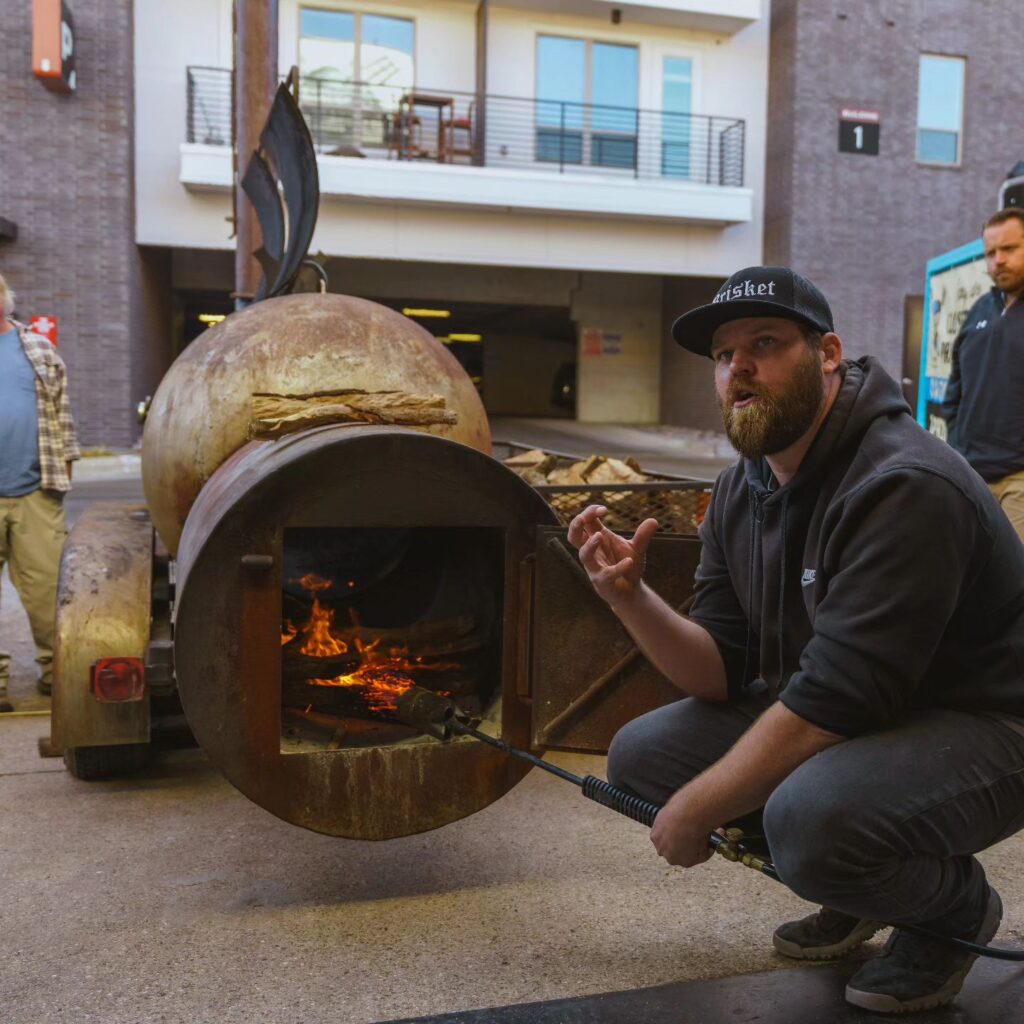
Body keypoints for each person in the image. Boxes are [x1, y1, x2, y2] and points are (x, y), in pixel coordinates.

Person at [568, 266, 1024, 1014]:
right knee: (644, 758)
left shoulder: (903, 483)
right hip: (876, 718)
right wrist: (631, 597)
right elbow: (719, 672)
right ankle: (858, 881)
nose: (737, 369)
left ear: (829, 354)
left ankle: (949, 908)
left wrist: (699, 808)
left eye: (765, 343)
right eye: (722, 355)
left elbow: (832, 702)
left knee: (807, 817)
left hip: (992, 726)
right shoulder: (742, 489)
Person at [0, 273, 80, 712]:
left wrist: (64, 469)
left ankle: (57, 673)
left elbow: (61, 413)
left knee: (48, 591)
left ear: (6, 299)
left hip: (35, 491)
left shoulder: (38, 349)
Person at [942, 208, 1024, 540]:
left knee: (1016, 583)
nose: (998, 260)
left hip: (1018, 482)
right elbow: (955, 390)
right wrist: (958, 448)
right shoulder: (979, 310)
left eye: (1009, 249)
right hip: (970, 474)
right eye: (991, 253)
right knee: (968, 578)